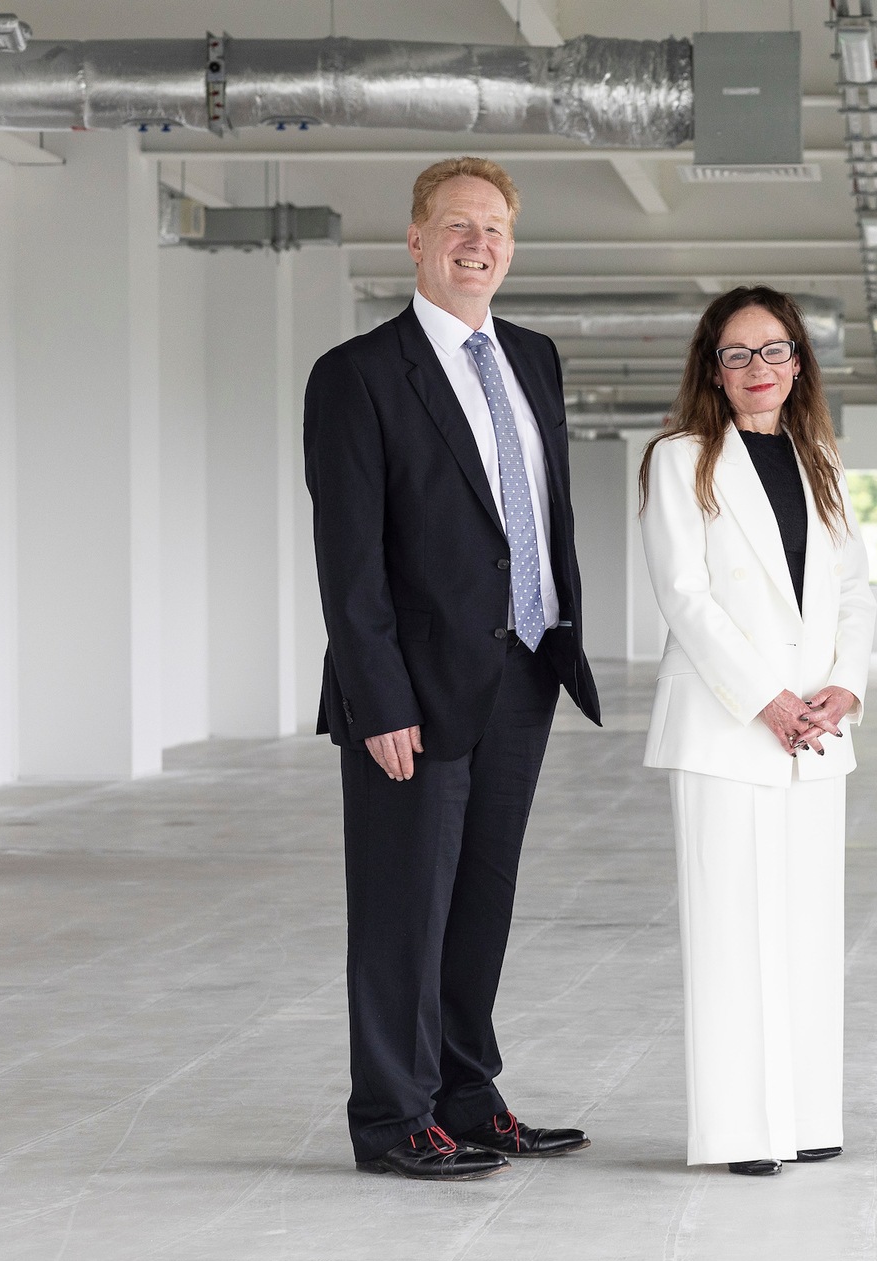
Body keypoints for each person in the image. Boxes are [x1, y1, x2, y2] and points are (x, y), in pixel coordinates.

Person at [303, 156, 603, 1181]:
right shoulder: (358, 375)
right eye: (458, 226)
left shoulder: (534, 356)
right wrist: (374, 692)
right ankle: (393, 1116)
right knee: (403, 910)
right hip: (413, 694)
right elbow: (349, 559)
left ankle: (467, 1097)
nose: (479, 243)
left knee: (481, 903)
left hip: (521, 670)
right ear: (417, 240)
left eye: (497, 231)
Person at [637, 286, 876, 1177]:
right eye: (737, 354)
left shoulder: (823, 459)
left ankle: (807, 1118)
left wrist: (843, 689)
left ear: (798, 362)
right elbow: (685, 598)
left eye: (774, 350)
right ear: (714, 368)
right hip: (728, 728)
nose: (757, 369)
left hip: (817, 732)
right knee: (732, 934)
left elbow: (853, 591)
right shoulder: (679, 459)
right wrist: (768, 700)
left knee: (809, 932)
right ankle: (741, 1133)